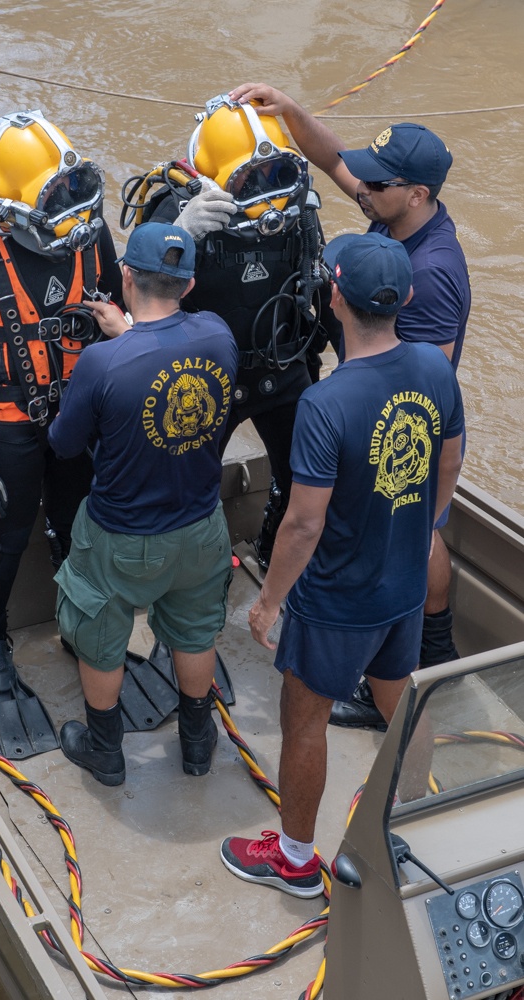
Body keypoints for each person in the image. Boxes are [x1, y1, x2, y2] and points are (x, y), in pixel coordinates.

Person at [219, 232, 464, 898]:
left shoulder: (325, 404)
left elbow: (303, 522)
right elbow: (447, 459)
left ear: (333, 297)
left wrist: (268, 601)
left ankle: (295, 861)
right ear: (406, 298)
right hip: (403, 583)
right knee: (400, 702)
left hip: (336, 599)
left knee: (305, 721)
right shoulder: (434, 371)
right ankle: (415, 816)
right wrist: (422, 527)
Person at [229, 83, 471, 727]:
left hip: (392, 419)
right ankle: (416, 654)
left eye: (376, 182)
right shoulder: (394, 218)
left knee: (414, 528)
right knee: (419, 524)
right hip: (376, 396)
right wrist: (289, 112)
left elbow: (426, 383)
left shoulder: (436, 271)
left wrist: (345, 418)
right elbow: (340, 162)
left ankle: (429, 649)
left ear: (416, 193)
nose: (359, 186)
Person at [0, 109, 123, 758]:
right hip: (2, 427)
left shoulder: (88, 234)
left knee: (76, 522)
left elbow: (114, 319)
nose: (69, 218)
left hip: (74, 417)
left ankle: (77, 622)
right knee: (6, 537)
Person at [47, 222, 238, 786]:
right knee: (196, 628)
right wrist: (128, 331)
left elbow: (62, 444)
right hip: (203, 527)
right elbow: (167, 347)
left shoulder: (104, 364)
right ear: (190, 282)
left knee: (100, 630)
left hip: (122, 535)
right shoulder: (218, 336)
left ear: (126, 275)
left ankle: (105, 752)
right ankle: (198, 745)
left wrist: (118, 340)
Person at [123, 94, 328, 570]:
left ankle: (271, 554)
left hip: (281, 367)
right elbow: (129, 302)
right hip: (201, 380)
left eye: (275, 173)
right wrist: (180, 234)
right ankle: (195, 589)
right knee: (186, 491)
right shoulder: (176, 212)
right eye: (248, 178)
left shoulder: (295, 207)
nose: (266, 189)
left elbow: (316, 286)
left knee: (301, 478)